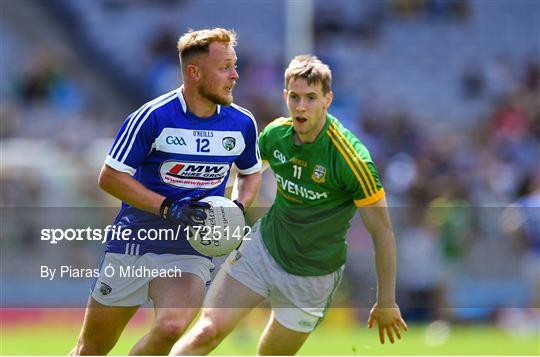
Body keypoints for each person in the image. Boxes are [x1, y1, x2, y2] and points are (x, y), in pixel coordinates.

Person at [170, 55, 406, 356]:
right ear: (285, 97)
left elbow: (383, 232)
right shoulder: (275, 135)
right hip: (263, 249)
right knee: (207, 331)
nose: (301, 107)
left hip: (312, 275)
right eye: (294, 97)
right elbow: (242, 176)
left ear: (327, 100)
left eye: (311, 98)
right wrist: (188, 195)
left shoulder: (352, 160)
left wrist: (386, 300)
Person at [70, 28, 261, 355]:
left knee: (172, 326)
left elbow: (249, 174)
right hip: (134, 244)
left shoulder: (241, 123)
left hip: (189, 250)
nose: (235, 75)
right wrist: (168, 208)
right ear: (194, 72)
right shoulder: (152, 117)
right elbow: (110, 177)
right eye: (225, 67)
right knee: (92, 348)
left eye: (235, 65)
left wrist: (236, 208)